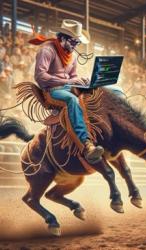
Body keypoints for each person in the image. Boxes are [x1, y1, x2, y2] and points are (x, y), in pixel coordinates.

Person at [30, 19, 104, 164]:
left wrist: (81, 81)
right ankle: (86, 145)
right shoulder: (47, 50)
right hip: (52, 90)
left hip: (67, 87)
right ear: (62, 37)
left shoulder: (73, 56)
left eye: (78, 43)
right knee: (73, 100)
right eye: (73, 42)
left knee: (94, 93)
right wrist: (69, 82)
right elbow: (40, 77)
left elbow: (73, 76)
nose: (75, 46)